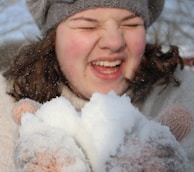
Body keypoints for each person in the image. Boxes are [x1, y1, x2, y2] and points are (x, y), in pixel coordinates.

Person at [0, 0, 194, 171]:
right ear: (54, 37)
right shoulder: (5, 103)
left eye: (130, 23)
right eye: (88, 26)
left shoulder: (184, 94)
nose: (114, 42)